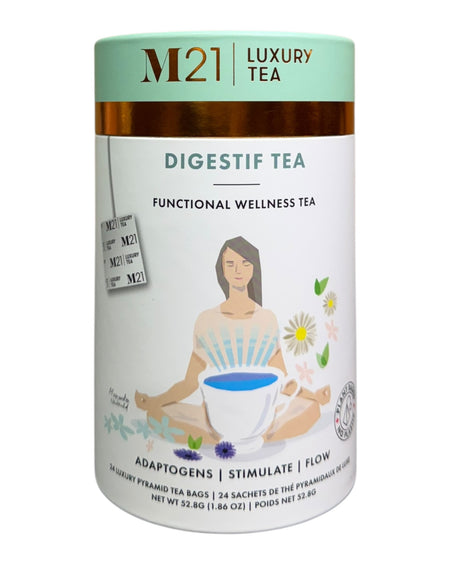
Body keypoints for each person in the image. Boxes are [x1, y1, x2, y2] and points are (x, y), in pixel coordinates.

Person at [135, 236, 329, 444]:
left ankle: (240, 435)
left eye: (245, 263)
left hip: (262, 412)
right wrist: (155, 401)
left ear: (253, 269)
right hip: (215, 415)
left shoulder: (267, 319)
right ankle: (244, 435)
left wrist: (314, 396)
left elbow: (282, 381)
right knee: (157, 414)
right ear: (222, 270)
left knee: (311, 408)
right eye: (230, 264)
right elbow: (190, 382)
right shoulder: (206, 320)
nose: (238, 270)